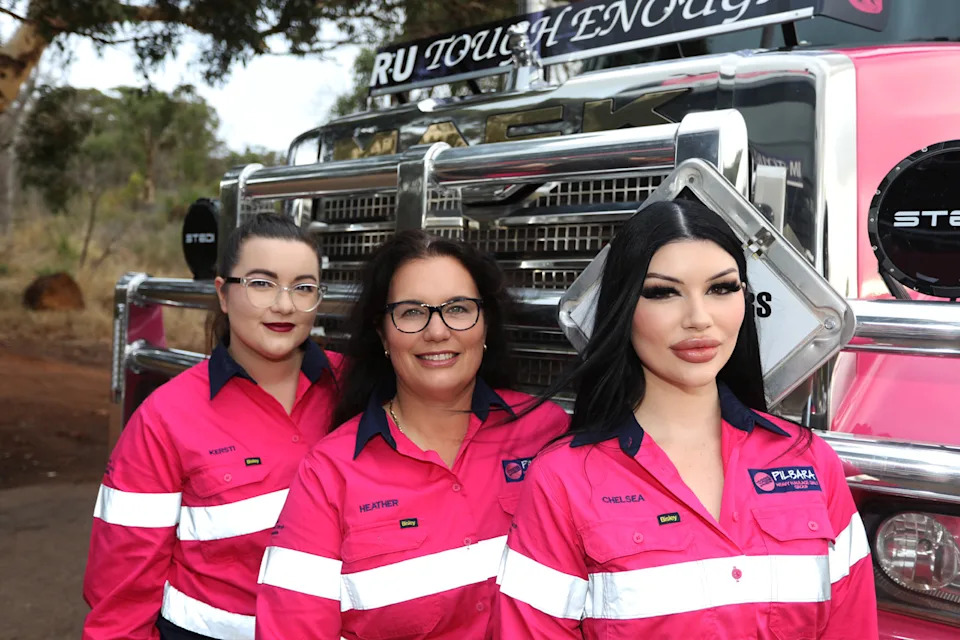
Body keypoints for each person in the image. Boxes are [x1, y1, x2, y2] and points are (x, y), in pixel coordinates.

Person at [495, 200, 877, 639]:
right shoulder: (562, 478)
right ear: (624, 308)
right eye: (662, 292)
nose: (699, 319)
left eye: (721, 288)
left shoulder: (810, 461)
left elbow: (852, 626)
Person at [255, 230, 570, 639]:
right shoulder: (331, 471)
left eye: (457, 309)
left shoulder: (546, 431)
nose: (437, 332)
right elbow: (291, 627)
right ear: (383, 334)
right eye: (410, 312)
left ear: (486, 322)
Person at [83, 214, 343, 640]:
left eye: (303, 287)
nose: (284, 304)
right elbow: (120, 596)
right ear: (222, 294)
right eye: (261, 284)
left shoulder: (355, 391)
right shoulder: (165, 418)